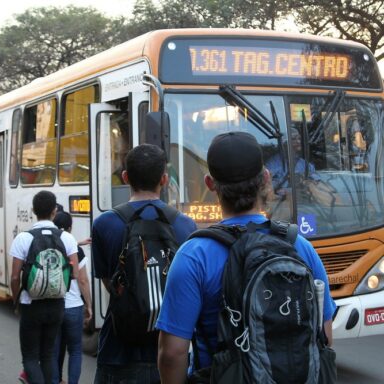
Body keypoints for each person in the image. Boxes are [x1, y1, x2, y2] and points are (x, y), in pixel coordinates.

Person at [156, 132, 336, 383]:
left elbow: (172, 353)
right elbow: (323, 334)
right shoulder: (299, 246)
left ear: (210, 184)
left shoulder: (193, 255)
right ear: (265, 178)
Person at [92, 144, 197, 384]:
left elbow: (110, 283)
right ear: (164, 179)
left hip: (118, 351)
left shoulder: (105, 224)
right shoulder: (186, 226)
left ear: (126, 177)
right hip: (171, 345)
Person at [10, 191, 79, 384]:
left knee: (31, 357)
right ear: (54, 211)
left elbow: (15, 277)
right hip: (57, 304)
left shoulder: (23, 238)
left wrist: (17, 301)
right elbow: (74, 274)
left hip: (31, 304)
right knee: (48, 355)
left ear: (33, 210)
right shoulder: (67, 238)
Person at [51, 211, 92, 384]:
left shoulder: (50, 246)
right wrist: (89, 305)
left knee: (54, 350)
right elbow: (82, 280)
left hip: (54, 304)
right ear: (70, 227)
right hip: (74, 307)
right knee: (75, 350)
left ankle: (55, 380)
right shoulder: (76, 250)